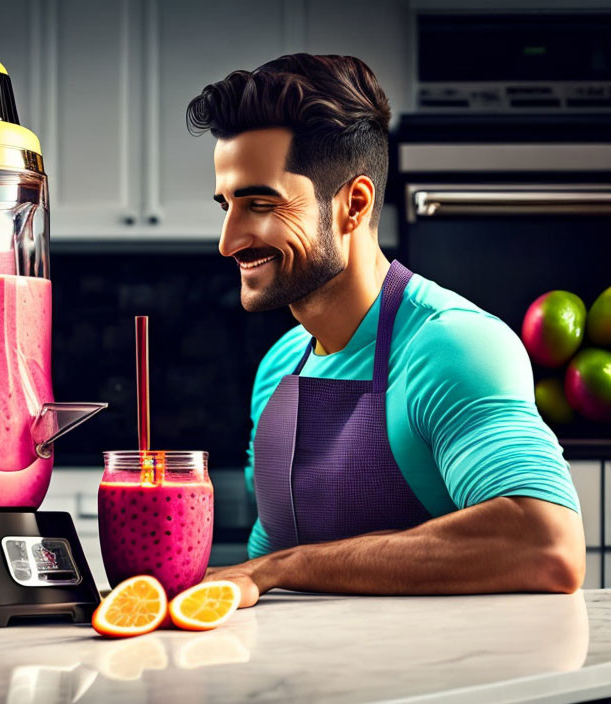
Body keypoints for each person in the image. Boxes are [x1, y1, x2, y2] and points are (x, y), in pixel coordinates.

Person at [186, 54, 585, 607]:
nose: (228, 241)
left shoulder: (450, 346)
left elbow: (547, 543)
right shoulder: (278, 368)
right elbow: (265, 561)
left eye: (259, 203)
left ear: (354, 204)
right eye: (226, 205)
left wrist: (284, 566)